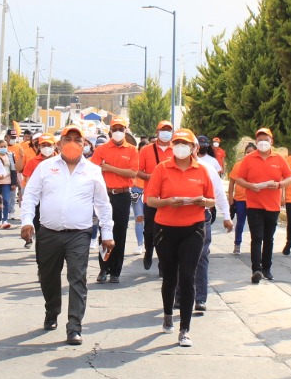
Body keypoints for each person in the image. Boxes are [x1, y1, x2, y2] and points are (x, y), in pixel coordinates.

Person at [20, 124, 114, 346]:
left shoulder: (92, 170)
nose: (73, 142)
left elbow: (102, 204)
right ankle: (52, 310)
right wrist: (26, 221)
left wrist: (107, 232)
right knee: (48, 276)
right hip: (49, 233)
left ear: (85, 145)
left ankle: (74, 326)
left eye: (77, 139)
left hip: (79, 234)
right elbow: (30, 195)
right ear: (59, 144)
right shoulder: (45, 167)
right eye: (68, 138)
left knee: (77, 277)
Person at [144, 128, 214, 347]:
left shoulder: (202, 170)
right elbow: (150, 200)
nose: (181, 147)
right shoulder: (162, 168)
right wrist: (167, 202)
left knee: (187, 276)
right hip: (166, 228)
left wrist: (203, 201)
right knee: (170, 276)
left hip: (193, 228)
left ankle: (185, 329)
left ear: (194, 147)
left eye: (186, 143)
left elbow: (212, 200)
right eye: (177, 143)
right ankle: (167, 315)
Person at [230, 127, 291, 283]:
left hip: (273, 205)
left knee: (269, 238)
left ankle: (267, 268)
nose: (263, 142)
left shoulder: (279, 159)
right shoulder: (249, 159)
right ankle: (256, 269)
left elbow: (290, 179)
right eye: (260, 140)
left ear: (272, 141)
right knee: (257, 237)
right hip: (254, 204)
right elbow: (239, 179)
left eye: (266, 139)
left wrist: (278, 185)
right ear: (256, 142)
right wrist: (251, 186)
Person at [90, 116, 138, 283]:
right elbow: (94, 170)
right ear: (110, 131)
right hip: (105, 195)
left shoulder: (132, 150)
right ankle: (104, 268)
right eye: (115, 128)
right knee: (104, 231)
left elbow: (132, 173)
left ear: (126, 130)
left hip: (123, 195)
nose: (118, 131)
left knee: (120, 233)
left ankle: (115, 271)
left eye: (121, 128)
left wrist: (109, 168)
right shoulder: (102, 149)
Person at [194, 136, 233, 314]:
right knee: (180, 260)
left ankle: (200, 298)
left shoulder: (207, 168)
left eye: (187, 145)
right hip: (176, 222)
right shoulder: (166, 168)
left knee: (201, 256)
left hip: (201, 219)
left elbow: (218, 192)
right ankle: (179, 296)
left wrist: (227, 215)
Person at [135, 120, 175, 270]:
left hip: (169, 198)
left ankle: (162, 262)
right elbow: (137, 171)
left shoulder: (176, 150)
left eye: (168, 130)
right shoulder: (146, 150)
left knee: (167, 231)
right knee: (149, 229)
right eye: (163, 130)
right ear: (157, 132)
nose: (166, 133)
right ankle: (148, 252)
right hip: (151, 198)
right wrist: (150, 177)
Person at [20, 134, 56, 249]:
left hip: (55, 201)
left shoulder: (61, 161)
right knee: (40, 229)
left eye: (49, 145)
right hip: (38, 201)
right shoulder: (32, 162)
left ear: (54, 146)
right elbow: (28, 183)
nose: (46, 147)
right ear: (39, 147)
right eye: (43, 145)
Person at [227, 142, 255, 254]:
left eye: (252, 152)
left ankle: (255, 246)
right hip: (240, 200)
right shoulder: (238, 165)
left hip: (254, 200)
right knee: (240, 223)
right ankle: (237, 244)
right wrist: (230, 198)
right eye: (247, 152)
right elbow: (231, 183)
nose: (249, 154)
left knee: (254, 224)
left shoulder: (259, 166)